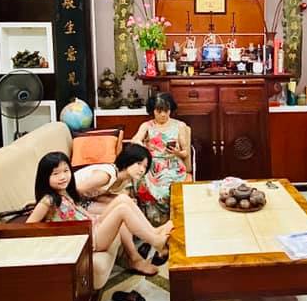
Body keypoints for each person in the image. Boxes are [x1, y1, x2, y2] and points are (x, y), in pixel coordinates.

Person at [27, 152, 171, 276]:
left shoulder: (63, 192)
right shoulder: (47, 200)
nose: (63, 177)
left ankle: (153, 231)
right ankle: (155, 241)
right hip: (89, 240)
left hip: (92, 225)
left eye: (66, 171)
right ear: (45, 177)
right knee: (122, 210)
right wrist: (54, 238)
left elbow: (77, 210)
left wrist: (95, 217)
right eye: (56, 174)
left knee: (122, 199)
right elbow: (28, 227)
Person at [130, 93, 191, 225]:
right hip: (151, 165)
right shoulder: (147, 126)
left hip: (172, 165)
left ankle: (171, 222)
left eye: (166, 111)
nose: (163, 114)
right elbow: (135, 140)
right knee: (141, 182)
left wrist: (177, 152)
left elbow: (186, 153)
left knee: (164, 190)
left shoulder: (180, 126)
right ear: (153, 110)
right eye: (159, 111)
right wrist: (142, 145)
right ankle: (149, 224)